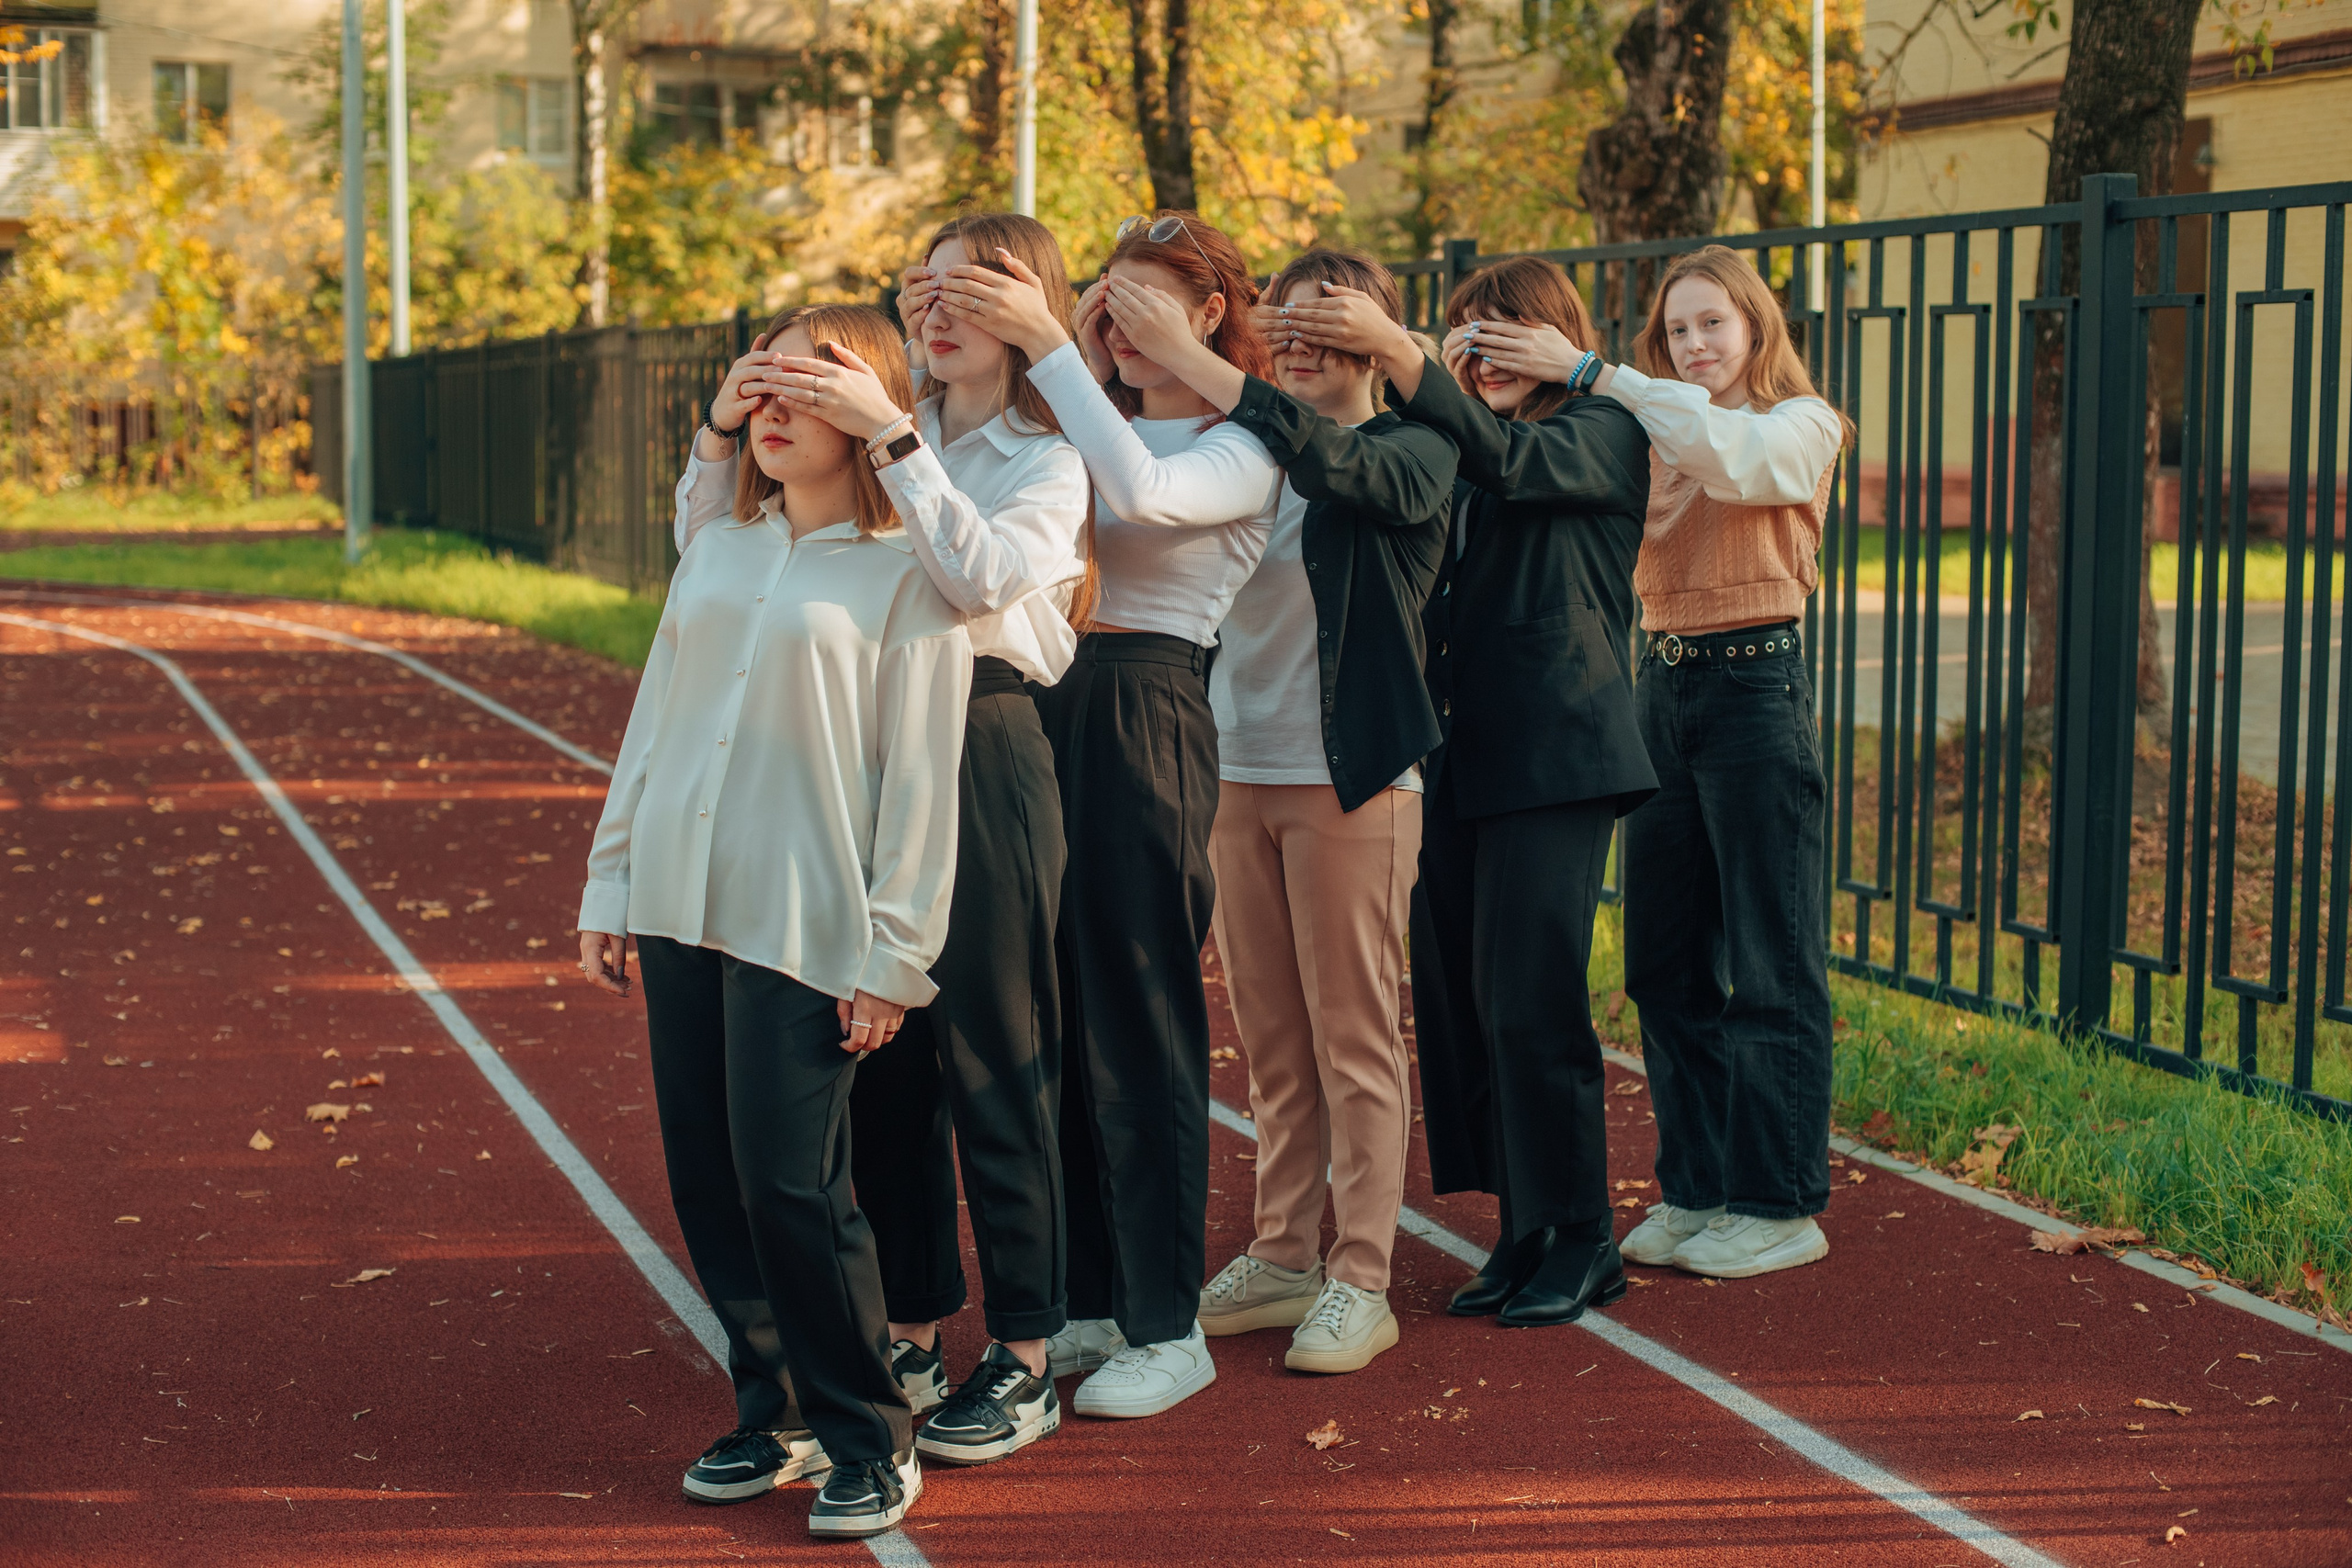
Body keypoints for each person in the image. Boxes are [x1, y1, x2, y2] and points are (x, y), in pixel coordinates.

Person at [575, 303, 967, 1538]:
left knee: (796, 1181)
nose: (779, 407)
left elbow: (922, 778)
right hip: (688, 901)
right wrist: (611, 880)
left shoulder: (910, 572)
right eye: (769, 384)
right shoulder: (720, 549)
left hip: (810, 919)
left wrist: (896, 956)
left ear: (873, 408)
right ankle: (779, 1407)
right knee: (708, 1173)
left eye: (815, 385)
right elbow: (656, 728)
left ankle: (870, 1431)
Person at [930, 209, 1281, 1417]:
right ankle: (1085, 1297)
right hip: (1045, 705)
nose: (1117, 333)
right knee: (1054, 1017)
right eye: (1106, 307)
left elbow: (1140, 491)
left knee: (1140, 1019)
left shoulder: (1245, 441)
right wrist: (1058, 359)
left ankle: (1166, 1322)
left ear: (1212, 315)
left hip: (1147, 708)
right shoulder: (1085, 416)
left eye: (1145, 310)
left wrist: (1055, 349)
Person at [758, 213, 1091, 1468]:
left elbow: (979, 577)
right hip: (866, 751)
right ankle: (910, 1323)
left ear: (1033, 308)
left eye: (970, 290)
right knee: (878, 1050)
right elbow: (737, 540)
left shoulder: (1047, 456)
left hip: (983, 741)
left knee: (997, 1056)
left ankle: (1028, 1346)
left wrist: (896, 442)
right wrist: (726, 427)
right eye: (919, 288)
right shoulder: (887, 432)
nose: (935, 310)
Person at [1091, 247, 1453, 1374]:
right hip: (1232, 767)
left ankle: (1361, 1276)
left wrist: (1215, 365)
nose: (1293, 338)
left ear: (1379, 333)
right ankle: (1286, 1249)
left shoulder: (1410, 449)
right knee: (1274, 1041)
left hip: (1352, 778)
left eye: (1323, 321)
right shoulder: (1236, 443)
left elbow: (1353, 472)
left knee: (1354, 1038)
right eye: (1280, 319)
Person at [1282, 254, 1655, 1327]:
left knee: (1530, 998)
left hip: (1557, 756)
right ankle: (1524, 1226)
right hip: (1451, 751)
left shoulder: (1598, 429)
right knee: (1461, 1000)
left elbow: (1507, 462)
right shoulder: (1447, 438)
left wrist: (1403, 359)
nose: (1476, 353)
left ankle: (1583, 1236)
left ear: (1552, 337)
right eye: (1463, 335)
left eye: (1501, 333)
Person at [1459, 244, 1845, 1279]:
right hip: (1658, 687)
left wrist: (1596, 372)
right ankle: (1697, 1188)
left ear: (1755, 326)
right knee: (1664, 963)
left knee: (1771, 954)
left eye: (1712, 323)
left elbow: (1739, 463)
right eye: (1676, 330)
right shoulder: (1652, 429)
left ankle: (1778, 1202)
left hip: (1757, 687)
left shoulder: (1799, 423)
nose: (1694, 344)